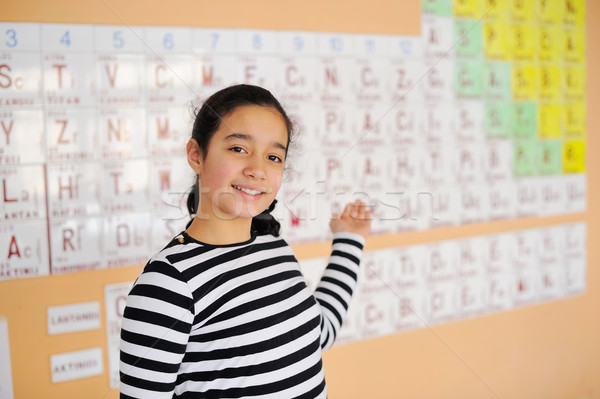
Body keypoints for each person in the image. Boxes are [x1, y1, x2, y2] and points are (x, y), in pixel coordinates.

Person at [119, 84, 372, 399]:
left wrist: (349, 240)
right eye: (238, 149)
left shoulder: (273, 248)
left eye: (273, 156)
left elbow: (317, 335)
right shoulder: (169, 283)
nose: (257, 170)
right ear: (196, 156)